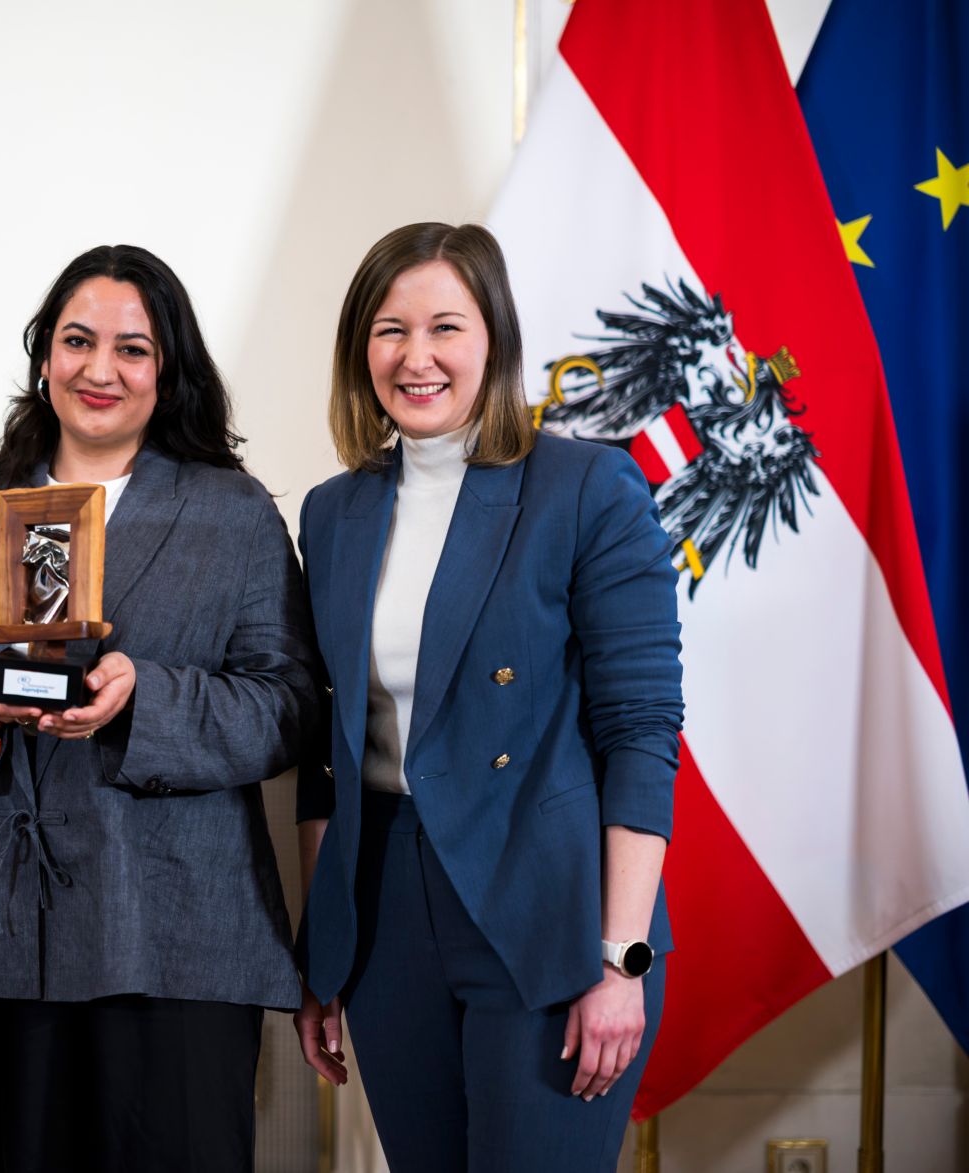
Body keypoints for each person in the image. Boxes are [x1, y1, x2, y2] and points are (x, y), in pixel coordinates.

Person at [0, 245, 314, 1173]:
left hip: (181, 933)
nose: (99, 369)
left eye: (132, 348)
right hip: (12, 925)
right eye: (77, 341)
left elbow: (289, 705)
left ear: (169, 372)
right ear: (44, 356)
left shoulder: (234, 515)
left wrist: (143, 696)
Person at [291, 223, 683, 1171]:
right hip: (386, 907)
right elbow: (324, 748)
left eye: (445, 327)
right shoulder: (332, 512)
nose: (415, 356)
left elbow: (641, 731)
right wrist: (324, 951)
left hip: (552, 913)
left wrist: (620, 956)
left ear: (495, 339)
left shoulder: (585, 487)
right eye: (390, 330)